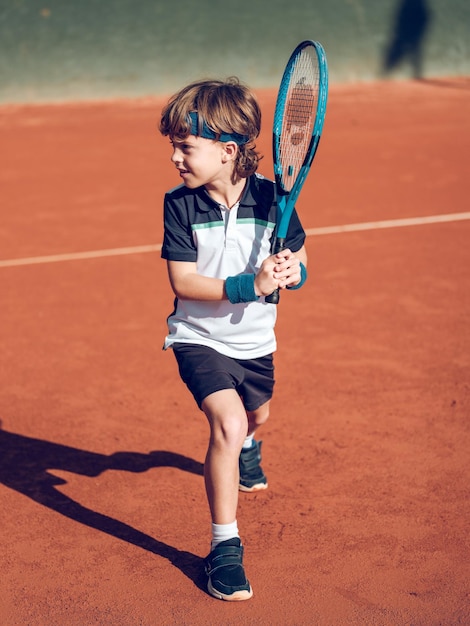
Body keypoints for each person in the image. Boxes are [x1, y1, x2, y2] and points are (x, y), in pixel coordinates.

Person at [159, 77, 308, 601]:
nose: (175, 157)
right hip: (198, 337)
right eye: (174, 146)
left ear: (227, 151)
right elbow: (184, 283)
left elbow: (299, 257)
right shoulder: (179, 205)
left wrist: (291, 273)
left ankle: (249, 447)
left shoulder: (275, 199)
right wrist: (253, 283)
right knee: (228, 419)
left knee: (256, 416)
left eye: (185, 146)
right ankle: (224, 546)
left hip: (255, 344)